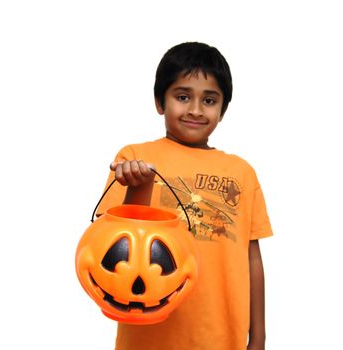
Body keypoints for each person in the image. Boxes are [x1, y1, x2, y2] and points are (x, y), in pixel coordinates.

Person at [96, 42, 273, 350]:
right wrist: (138, 184)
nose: (195, 109)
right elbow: (113, 246)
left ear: (223, 110)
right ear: (159, 101)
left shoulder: (242, 172)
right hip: (148, 338)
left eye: (209, 100)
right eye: (182, 96)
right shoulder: (135, 158)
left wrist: (258, 337)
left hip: (221, 337)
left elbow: (252, 258)